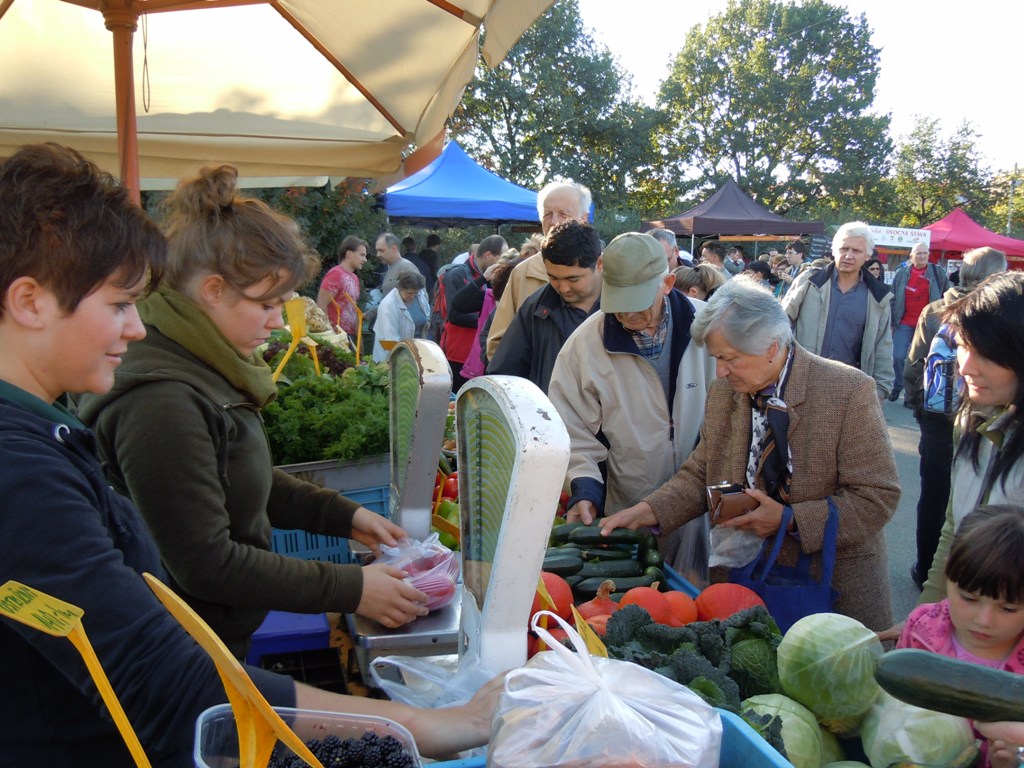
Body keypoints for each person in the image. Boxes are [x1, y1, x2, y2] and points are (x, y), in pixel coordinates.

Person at [0, 143, 500, 767]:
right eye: (119, 304)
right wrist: (419, 726)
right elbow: (169, 680)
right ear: (29, 302)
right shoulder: (26, 472)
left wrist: (338, 516)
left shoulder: (41, 441)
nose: (134, 329)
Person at [78, 164, 431, 661]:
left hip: (216, 634)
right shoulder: (161, 401)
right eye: (267, 304)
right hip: (185, 650)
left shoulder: (206, 358)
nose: (277, 321)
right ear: (213, 291)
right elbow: (205, 563)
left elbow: (241, 477)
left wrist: (344, 515)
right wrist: (350, 587)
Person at [599, 276, 900, 631]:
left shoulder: (848, 391)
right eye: (715, 358)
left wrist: (790, 521)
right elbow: (700, 473)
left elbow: (877, 496)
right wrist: (649, 510)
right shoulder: (725, 391)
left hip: (830, 591)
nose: (720, 371)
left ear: (771, 347)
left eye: (729, 359)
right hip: (742, 584)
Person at [547, 232, 717, 582]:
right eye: (617, 302)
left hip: (707, 508)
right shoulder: (584, 346)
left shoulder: (711, 328)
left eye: (637, 302)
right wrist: (585, 488)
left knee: (702, 598)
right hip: (628, 513)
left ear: (668, 283)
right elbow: (570, 431)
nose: (626, 313)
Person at [903, 247, 1007, 590]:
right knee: (963, 500)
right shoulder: (998, 315)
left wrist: (920, 409)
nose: (966, 366)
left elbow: (915, 363)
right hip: (970, 418)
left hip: (937, 418)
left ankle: (925, 568)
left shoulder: (936, 311)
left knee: (934, 496)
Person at [919, 272, 1024, 604]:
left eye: (987, 353)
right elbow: (954, 529)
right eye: (963, 346)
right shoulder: (970, 419)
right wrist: (926, 614)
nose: (966, 367)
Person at [899, 504, 1024, 768]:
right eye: (968, 598)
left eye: (1008, 608)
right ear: (948, 572)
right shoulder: (920, 628)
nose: (983, 620)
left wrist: (1018, 758)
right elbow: (894, 707)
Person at [782, 221, 895, 399]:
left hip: (848, 390)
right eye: (844, 249)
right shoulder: (809, 281)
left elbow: (882, 345)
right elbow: (781, 322)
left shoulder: (878, 297)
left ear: (868, 256)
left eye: (856, 251)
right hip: (802, 382)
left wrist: (881, 389)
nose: (848, 256)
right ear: (834, 251)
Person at [487, 219, 603, 393]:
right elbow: (505, 375)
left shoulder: (625, 307)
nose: (563, 288)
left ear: (599, 264)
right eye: (554, 278)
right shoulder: (535, 308)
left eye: (573, 279)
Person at [485, 180, 591, 360]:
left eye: (563, 213)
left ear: (584, 218)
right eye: (547, 214)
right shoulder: (522, 273)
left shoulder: (604, 269)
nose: (554, 222)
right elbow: (498, 344)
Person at [441, 234, 506, 391]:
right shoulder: (458, 274)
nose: (503, 263)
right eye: (502, 257)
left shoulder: (490, 277)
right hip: (458, 353)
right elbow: (454, 314)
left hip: (476, 354)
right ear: (489, 255)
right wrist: (487, 321)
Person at [888, 242, 950, 404]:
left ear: (929, 255)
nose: (922, 256)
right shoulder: (902, 274)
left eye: (924, 253)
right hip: (904, 322)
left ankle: (912, 395)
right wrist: (892, 323)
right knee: (898, 356)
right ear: (911, 256)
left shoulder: (938, 273)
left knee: (921, 360)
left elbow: (947, 296)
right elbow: (892, 298)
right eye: (918, 253)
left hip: (929, 324)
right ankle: (898, 385)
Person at [372, 270, 430, 362]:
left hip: (416, 352)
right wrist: (409, 357)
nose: (412, 297)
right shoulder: (388, 305)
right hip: (393, 356)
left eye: (415, 293)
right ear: (400, 289)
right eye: (409, 293)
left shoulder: (420, 296)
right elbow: (392, 338)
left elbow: (426, 316)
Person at [316, 234, 367, 336]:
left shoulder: (355, 278)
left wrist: (358, 339)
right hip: (336, 335)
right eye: (362, 255)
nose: (365, 260)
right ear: (349, 254)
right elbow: (321, 304)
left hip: (349, 335)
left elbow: (353, 309)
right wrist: (329, 334)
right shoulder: (336, 274)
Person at [376, 232, 421, 297]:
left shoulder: (406, 267)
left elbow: (420, 298)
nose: (378, 255)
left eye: (381, 250)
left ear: (394, 249)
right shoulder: (390, 267)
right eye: (377, 251)